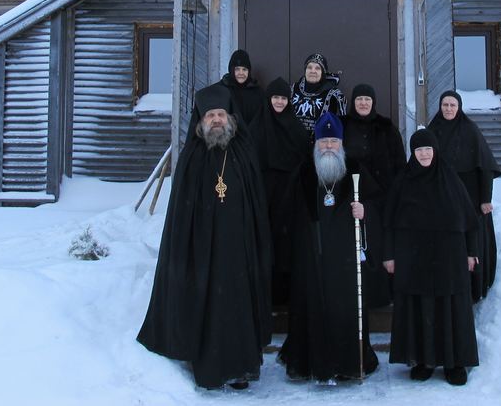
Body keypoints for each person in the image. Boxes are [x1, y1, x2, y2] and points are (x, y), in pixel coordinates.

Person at [137, 83, 272, 390]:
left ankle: (241, 369)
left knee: (238, 309)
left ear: (230, 118)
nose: (216, 120)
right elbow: (180, 216)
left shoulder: (244, 152)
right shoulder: (191, 157)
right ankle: (209, 370)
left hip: (239, 251)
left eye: (220, 114)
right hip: (203, 252)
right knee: (208, 308)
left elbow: (255, 205)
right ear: (200, 120)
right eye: (210, 115)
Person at [277, 112, 379, 382]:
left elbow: (378, 205)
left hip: (345, 261)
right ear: (316, 144)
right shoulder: (304, 173)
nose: (329, 147)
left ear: (341, 144)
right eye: (324, 142)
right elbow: (288, 214)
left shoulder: (355, 170)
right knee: (311, 309)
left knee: (344, 312)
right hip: (312, 258)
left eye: (334, 141)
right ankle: (310, 363)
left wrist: (364, 210)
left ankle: (347, 364)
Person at [384, 128, 480, 386]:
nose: (424, 154)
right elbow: (389, 222)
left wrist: (471, 253)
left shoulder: (450, 180)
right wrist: (389, 256)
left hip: (449, 258)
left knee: (451, 308)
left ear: (435, 151)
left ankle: (454, 363)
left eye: (428, 149)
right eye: (419, 150)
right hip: (414, 258)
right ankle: (424, 360)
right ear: (412, 153)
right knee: (421, 307)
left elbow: (470, 221)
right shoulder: (403, 182)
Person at [427, 90, 501, 302]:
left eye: (452, 105)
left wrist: (486, 199)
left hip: (470, 197)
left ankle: (472, 290)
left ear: (459, 107)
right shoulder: (434, 131)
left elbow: (485, 166)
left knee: (470, 243)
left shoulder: (470, 130)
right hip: (442, 197)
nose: (448, 109)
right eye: (445, 105)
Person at [341, 82, 406, 309]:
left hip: (381, 198)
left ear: (373, 102)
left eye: (367, 99)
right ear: (353, 102)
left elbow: (399, 163)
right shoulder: (343, 125)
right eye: (359, 99)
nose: (363, 103)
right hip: (349, 197)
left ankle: (377, 298)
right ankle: (351, 297)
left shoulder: (386, 128)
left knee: (376, 247)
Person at [249, 76, 310, 305]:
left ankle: (287, 296)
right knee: (266, 246)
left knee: (288, 247)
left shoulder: (295, 126)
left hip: (290, 196)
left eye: (283, 98)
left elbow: (304, 158)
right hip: (264, 196)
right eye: (275, 97)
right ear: (268, 99)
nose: (279, 102)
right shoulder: (256, 127)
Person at [291, 52, 346, 137]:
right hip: (292, 143)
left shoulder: (335, 95)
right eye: (309, 67)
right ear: (305, 70)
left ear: (323, 72)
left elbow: (342, 125)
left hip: (320, 146)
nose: (313, 71)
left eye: (317, 68)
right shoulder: (293, 88)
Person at [219, 49, 265, 125]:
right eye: (237, 69)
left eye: (244, 69)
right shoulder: (221, 90)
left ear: (249, 71)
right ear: (231, 70)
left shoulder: (258, 92)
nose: (241, 73)